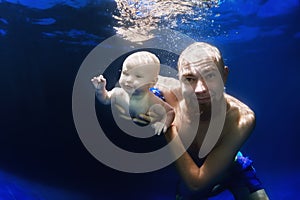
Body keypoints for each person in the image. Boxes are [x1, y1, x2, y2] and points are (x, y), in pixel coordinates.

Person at [142, 42, 269, 199]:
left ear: (224, 75)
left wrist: (167, 126)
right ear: (179, 79)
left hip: (232, 168)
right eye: (189, 79)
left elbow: (197, 184)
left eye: (210, 76)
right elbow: (127, 84)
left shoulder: (241, 117)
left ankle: (219, 183)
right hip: (190, 173)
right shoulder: (167, 91)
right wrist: (141, 103)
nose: (200, 89)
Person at [91, 51, 175, 135]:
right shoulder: (118, 93)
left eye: (138, 76)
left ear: (152, 82)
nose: (128, 80)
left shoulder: (152, 100)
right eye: (125, 73)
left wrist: (164, 123)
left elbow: (170, 112)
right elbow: (105, 100)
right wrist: (100, 89)